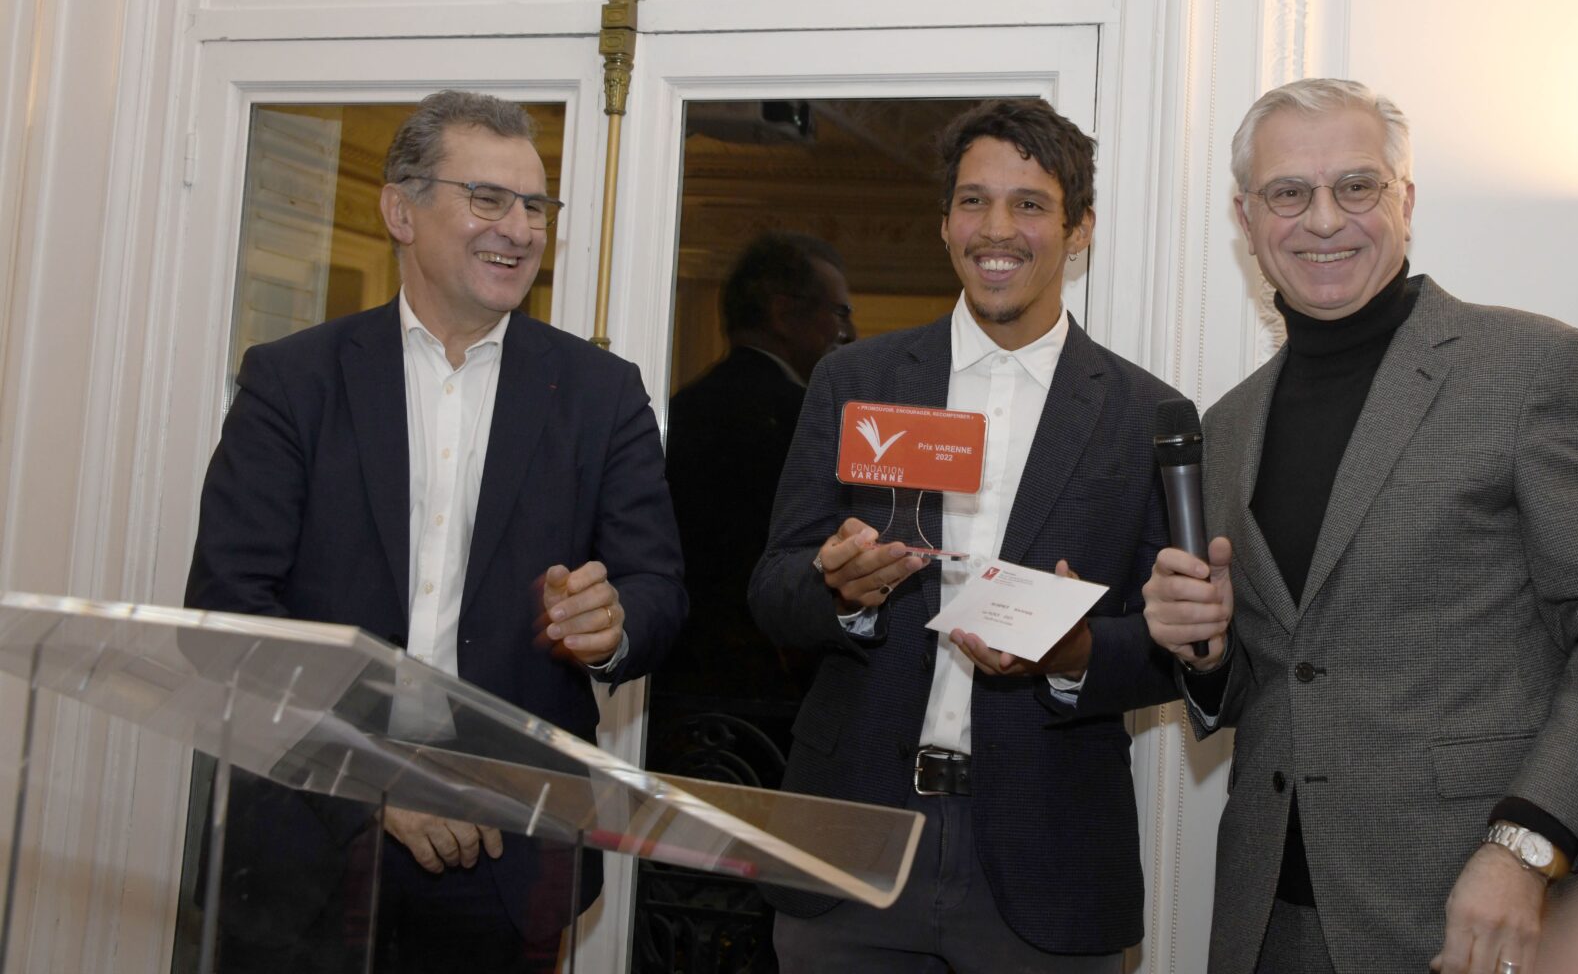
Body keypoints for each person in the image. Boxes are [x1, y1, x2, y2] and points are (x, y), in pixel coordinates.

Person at [1142, 78, 1578, 974]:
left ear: (1406, 200)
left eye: (1356, 186)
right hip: (1268, 919)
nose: (1324, 219)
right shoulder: (1228, 425)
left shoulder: (1529, 367)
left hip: (1476, 907)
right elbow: (1282, 683)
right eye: (1289, 192)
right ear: (1247, 217)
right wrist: (1203, 652)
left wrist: (1526, 850)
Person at [185, 90, 686, 973]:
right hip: (308, 838)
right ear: (401, 210)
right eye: (488, 199)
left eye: (535, 206)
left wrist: (611, 627)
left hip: (509, 851)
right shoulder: (294, 382)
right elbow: (231, 615)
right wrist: (376, 776)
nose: (519, 229)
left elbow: (657, 593)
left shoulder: (600, 395)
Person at [748, 99, 1186, 971]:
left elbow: (1173, 650)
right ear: (945, 221)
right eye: (974, 201)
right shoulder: (855, 379)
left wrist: (1075, 652)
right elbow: (772, 591)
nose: (997, 229)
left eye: (1030, 204)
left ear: (1080, 228)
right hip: (852, 843)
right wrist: (840, 592)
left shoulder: (1147, 415)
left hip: (1049, 855)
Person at [657, 232, 854, 706]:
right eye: (839, 312)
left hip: (678, 678)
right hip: (769, 686)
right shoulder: (808, 419)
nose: (849, 332)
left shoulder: (680, 408)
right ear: (783, 314)